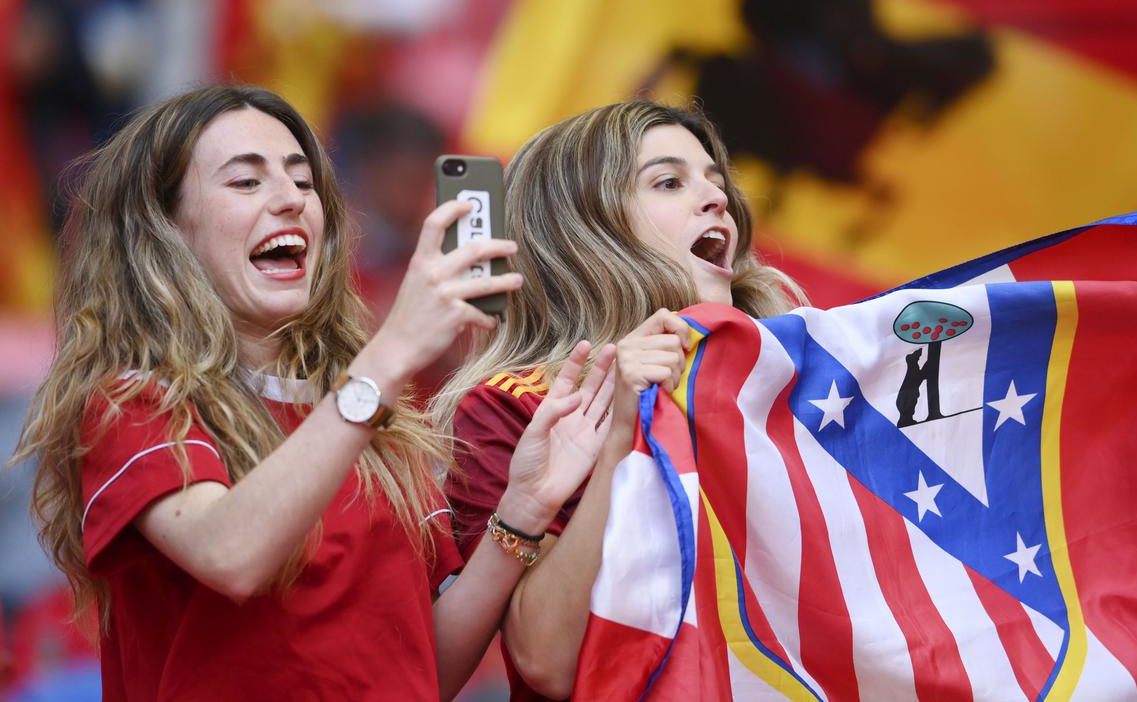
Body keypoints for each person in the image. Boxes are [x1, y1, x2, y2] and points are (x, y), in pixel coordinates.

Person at [13, 85, 615, 701]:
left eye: (303, 182)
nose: (290, 201)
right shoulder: (134, 400)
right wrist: (391, 355)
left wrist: (522, 512)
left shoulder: (374, 417)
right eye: (246, 183)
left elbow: (420, 668)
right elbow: (229, 552)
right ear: (165, 228)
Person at [431, 98, 806, 700]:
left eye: (716, 182)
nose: (718, 200)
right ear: (584, 231)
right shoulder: (517, 407)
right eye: (668, 182)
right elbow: (547, 663)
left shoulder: (796, 373)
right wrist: (621, 438)